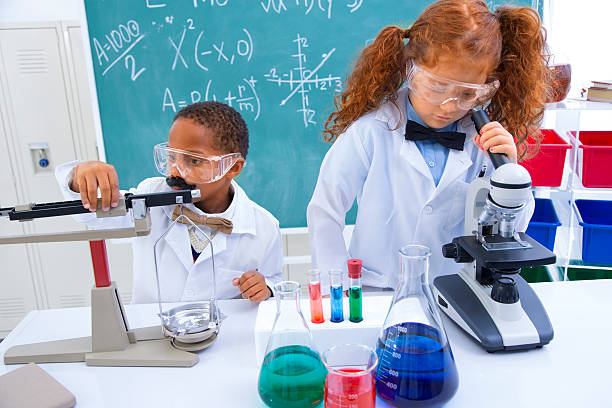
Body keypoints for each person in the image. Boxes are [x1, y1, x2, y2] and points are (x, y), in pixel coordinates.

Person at [307, 0, 552, 290]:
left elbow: (513, 231)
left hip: (455, 290)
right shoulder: (371, 132)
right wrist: (337, 285)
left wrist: (508, 175)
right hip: (379, 289)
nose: (447, 106)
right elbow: (326, 209)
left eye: (466, 93)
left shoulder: (485, 145)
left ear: (487, 86)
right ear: (410, 67)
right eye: (436, 86)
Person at [56, 101, 283, 303]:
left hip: (223, 342)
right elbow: (91, 215)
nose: (175, 170)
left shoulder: (264, 227)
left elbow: (275, 282)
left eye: (193, 160)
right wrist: (78, 178)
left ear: (232, 167)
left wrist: (266, 289)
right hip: (154, 335)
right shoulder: (150, 199)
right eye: (172, 156)